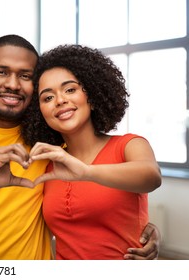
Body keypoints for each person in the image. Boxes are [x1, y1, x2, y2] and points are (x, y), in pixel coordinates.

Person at [0, 35, 159, 260]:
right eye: (1, 71)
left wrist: (138, 228)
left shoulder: (47, 142)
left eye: (25, 76)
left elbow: (125, 181)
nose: (12, 83)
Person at [21, 44, 162, 259]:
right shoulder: (47, 165)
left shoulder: (129, 145)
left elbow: (151, 178)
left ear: (93, 96)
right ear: (40, 113)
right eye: (47, 97)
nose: (60, 100)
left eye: (70, 89)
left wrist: (86, 172)